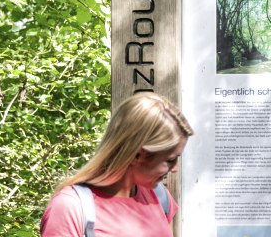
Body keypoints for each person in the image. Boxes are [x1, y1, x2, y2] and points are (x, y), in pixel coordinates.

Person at [41, 91, 193, 237]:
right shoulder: (70, 206)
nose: (174, 169)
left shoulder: (160, 198)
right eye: (170, 160)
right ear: (138, 154)